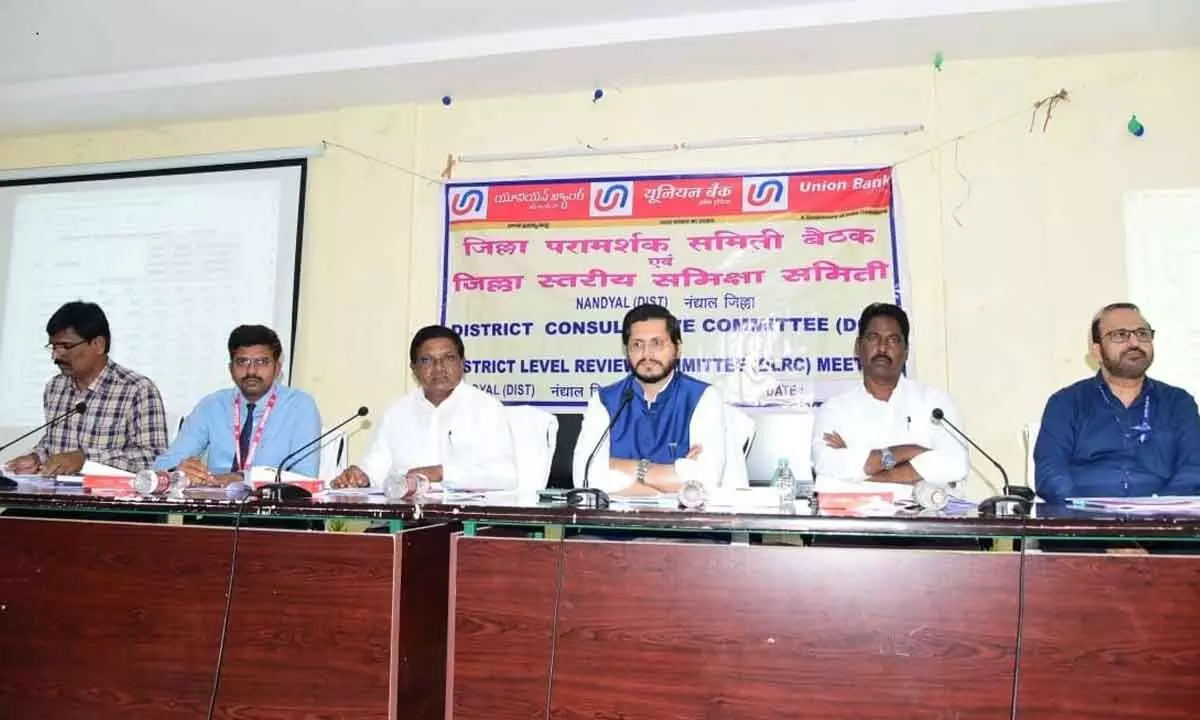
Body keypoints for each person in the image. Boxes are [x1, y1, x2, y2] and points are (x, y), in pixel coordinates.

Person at [1034, 302, 1200, 501]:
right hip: (1083, 522)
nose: (1134, 342)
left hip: (1163, 522)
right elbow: (1050, 473)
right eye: (1120, 335)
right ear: (1096, 352)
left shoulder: (1178, 403)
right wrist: (1081, 513)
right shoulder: (1066, 402)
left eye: (1142, 334)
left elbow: (1194, 468)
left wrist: (1159, 510)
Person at [330, 325, 516, 492]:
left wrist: (442, 473)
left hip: (468, 519)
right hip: (408, 517)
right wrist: (361, 477)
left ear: (462, 363)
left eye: (449, 358)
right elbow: (376, 468)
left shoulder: (486, 408)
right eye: (427, 360)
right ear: (414, 368)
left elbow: (505, 476)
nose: (439, 368)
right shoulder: (397, 413)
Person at [812, 302, 968, 496]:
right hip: (860, 523)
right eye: (873, 338)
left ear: (906, 351)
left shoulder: (936, 405)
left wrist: (864, 474)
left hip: (926, 522)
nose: (883, 347)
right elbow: (826, 465)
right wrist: (909, 451)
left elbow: (955, 463)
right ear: (858, 348)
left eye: (893, 340)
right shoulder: (835, 409)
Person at [572, 303, 727, 496]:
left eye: (657, 343)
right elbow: (585, 478)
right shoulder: (605, 400)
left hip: (681, 524)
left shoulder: (702, 397)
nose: (646, 354)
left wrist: (621, 468)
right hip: (613, 523)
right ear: (626, 350)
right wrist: (673, 482)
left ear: (677, 349)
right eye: (637, 344)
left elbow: (707, 480)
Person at [6, 301, 169, 475]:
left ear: (98, 345)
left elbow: (155, 459)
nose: (55, 356)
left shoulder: (137, 390)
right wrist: (37, 457)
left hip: (106, 499)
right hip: (56, 497)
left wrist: (85, 459)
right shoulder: (55, 387)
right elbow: (54, 444)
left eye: (66, 346)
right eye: (53, 347)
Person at [153, 325, 322, 486]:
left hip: (274, 509)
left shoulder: (299, 406)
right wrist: (178, 470)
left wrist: (242, 478)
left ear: (277, 368)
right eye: (242, 362)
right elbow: (163, 465)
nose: (251, 371)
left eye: (262, 362)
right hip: (215, 509)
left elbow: (304, 478)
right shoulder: (212, 406)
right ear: (231, 368)